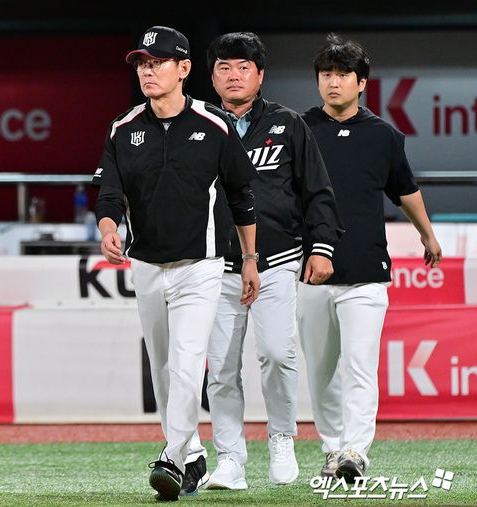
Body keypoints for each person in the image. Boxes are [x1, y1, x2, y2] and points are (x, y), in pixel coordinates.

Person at [92, 25, 261, 502]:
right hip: (146, 264)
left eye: (158, 62)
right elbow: (108, 194)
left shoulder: (214, 124)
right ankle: (191, 455)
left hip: (200, 264)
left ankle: (170, 457)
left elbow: (242, 195)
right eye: (142, 64)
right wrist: (108, 228)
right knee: (163, 368)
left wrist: (250, 259)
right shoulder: (124, 128)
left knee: (188, 363)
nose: (148, 71)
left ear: (184, 68)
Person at [198, 32, 344, 490]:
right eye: (224, 67)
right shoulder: (199, 125)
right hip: (215, 265)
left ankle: (281, 437)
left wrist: (322, 246)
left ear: (260, 75)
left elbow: (317, 189)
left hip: (278, 260)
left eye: (243, 67)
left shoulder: (288, 124)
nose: (233, 75)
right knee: (221, 367)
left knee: (278, 354)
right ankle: (230, 458)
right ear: (212, 77)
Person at [298, 33, 443, 483]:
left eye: (342, 75)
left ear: (362, 82)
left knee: (360, 366)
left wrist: (428, 236)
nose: (333, 82)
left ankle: (354, 451)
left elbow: (405, 191)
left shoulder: (384, 135)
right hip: (309, 272)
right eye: (326, 74)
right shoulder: (299, 130)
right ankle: (331, 448)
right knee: (321, 372)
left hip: (365, 271)